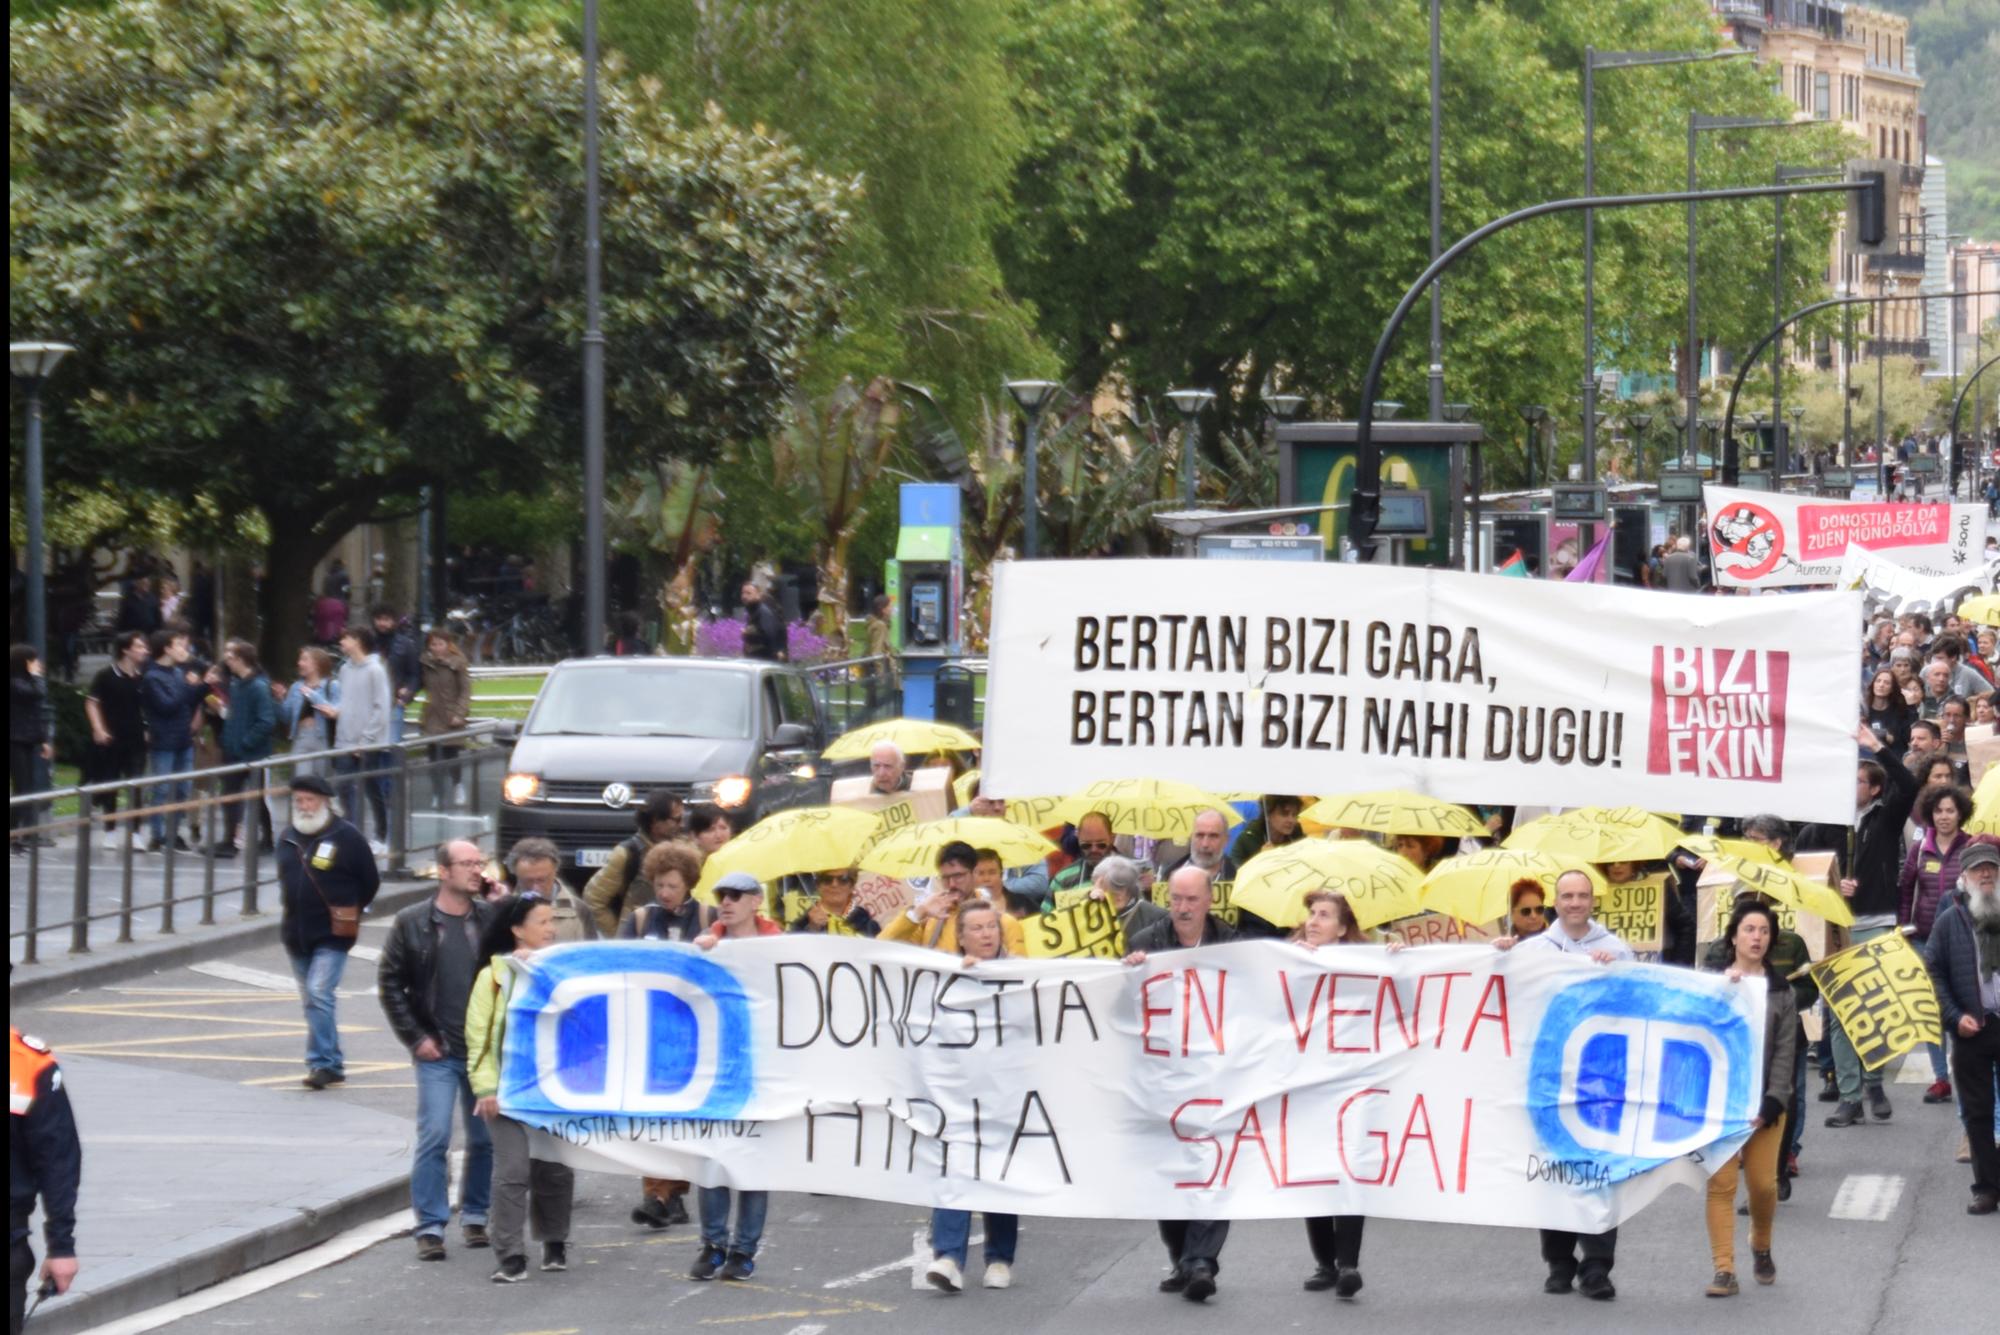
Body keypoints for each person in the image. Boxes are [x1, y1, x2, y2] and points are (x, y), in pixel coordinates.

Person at [1495, 869, 1631, 1300]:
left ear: (1594, 901)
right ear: (1557, 902)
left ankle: (1596, 1266)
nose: (1575, 903)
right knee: (1552, 1169)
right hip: (1549, 1076)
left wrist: (1615, 975)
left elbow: (1636, 1003)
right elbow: (1505, 993)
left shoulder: (1616, 949)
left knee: (1598, 1170)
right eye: (1568, 896)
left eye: (1583, 896)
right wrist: (1498, 956)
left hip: (1599, 1078)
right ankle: (1558, 1262)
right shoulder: (1533, 950)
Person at [378, 838, 498, 1261]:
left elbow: (518, 959)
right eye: (466, 864)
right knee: (435, 1136)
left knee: (484, 1138)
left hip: (482, 1050)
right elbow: (390, 983)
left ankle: (477, 1215)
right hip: (438, 1049)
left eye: (478, 863)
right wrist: (416, 1037)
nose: (475, 870)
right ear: (443, 872)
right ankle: (429, 1225)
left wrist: (504, 902)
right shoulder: (412, 922)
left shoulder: (489, 918)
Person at [1124, 866, 1237, 1302]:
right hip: (1164, 1080)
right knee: (1170, 1174)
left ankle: (1201, 1263)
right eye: (1176, 899)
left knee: (1212, 1168)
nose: (1183, 908)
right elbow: (1125, 1012)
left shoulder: (1233, 945)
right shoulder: (1145, 944)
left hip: (1217, 1077)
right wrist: (1131, 974)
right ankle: (1180, 1258)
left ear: (1209, 900)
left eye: (1191, 900)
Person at [468, 893, 576, 1282]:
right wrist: (485, 1088)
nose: (551, 929)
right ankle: (510, 1255)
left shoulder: (563, 969)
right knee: (512, 1170)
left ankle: (554, 1240)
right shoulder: (493, 976)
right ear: (517, 929)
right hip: (508, 1091)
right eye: (542, 922)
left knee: (554, 1169)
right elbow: (478, 1035)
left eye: (552, 921)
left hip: (553, 1091)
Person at [1700, 899, 1798, 1296]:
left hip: (1763, 1107)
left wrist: (1772, 1102)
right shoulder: (1712, 983)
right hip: (1721, 1106)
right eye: (1749, 930)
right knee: (1721, 1184)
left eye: (1764, 932)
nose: (1756, 938)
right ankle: (1724, 1269)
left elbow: (1785, 1052)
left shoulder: (1781, 991)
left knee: (1763, 1187)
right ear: (1734, 936)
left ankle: (1760, 1243)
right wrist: (1721, 991)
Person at [924, 898, 1023, 1293]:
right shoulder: (944, 975)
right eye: (977, 929)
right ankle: (948, 1257)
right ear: (961, 937)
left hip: (1005, 1091)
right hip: (958, 1092)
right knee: (955, 1168)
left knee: (999, 1171)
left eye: (991, 927)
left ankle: (1000, 1258)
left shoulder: (1023, 972)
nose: (986, 934)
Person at [689, 872, 781, 1281]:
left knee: (754, 1161)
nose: (726, 901)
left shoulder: (780, 946)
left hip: (763, 1068)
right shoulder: (708, 944)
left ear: (756, 901)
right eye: (721, 895)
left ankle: (743, 1250)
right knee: (712, 1159)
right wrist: (702, 955)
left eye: (736, 895)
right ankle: (712, 1245)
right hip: (717, 1069)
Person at [617, 840, 709, 1232]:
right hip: (649, 1030)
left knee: (683, 1114)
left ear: (688, 883)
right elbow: (617, 963)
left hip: (693, 1033)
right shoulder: (639, 920)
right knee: (650, 1112)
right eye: (659, 884)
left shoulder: (707, 917)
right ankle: (656, 1194)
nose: (665, 892)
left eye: (672, 885)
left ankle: (673, 1193)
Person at [1290, 890, 1373, 1297]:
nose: (1314, 920)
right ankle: (1324, 1262)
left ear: (1342, 928)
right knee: (1315, 1173)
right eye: (1311, 913)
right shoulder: (1287, 962)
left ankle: (1348, 1264)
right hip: (1307, 1085)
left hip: (1352, 1085)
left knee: (1350, 1170)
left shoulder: (1366, 965)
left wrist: (1394, 959)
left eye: (1324, 915)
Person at [275, 774, 380, 1089]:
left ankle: (321, 1063)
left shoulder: (346, 837)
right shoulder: (288, 837)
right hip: (296, 931)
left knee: (320, 994)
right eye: (299, 801)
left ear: (325, 802)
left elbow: (370, 880)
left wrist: (351, 908)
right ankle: (332, 1061)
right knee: (312, 1000)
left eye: (310, 801)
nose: (304, 807)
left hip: (333, 933)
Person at [1925, 840, 2000, 1214]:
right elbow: (1933, 973)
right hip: (1972, 1026)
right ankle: (1987, 1186)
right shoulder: (1949, 921)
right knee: (1978, 1110)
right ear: (1964, 878)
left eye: (1992, 868)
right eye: (1978, 869)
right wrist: (1955, 1017)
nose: (1986, 874)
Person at [1901, 782, 1984, 1105]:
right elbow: (1907, 888)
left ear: (1961, 813)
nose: (1944, 816)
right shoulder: (1920, 849)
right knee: (1932, 1009)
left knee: (1961, 1006)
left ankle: (1965, 1070)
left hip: (1965, 941)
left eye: (1950, 810)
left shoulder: (1971, 848)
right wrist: (1903, 927)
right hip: (1924, 937)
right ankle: (1940, 1077)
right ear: (1930, 813)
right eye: (1938, 810)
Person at [9, 1025, 80, 1335]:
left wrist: (62, 1246)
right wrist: (61, 1247)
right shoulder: (28, 1062)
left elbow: (57, 1161)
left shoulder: (30, 1064)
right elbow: (58, 1162)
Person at [885, 842, 1027, 955]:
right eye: (945, 877)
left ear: (974, 874)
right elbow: (882, 948)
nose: (952, 884)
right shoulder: (929, 920)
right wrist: (918, 913)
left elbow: (1019, 975)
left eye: (958, 876)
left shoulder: (1002, 922)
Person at [139, 628, 208, 852]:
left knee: (183, 788)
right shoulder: (152, 677)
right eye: (178, 645)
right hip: (164, 740)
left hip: (183, 738)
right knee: (161, 788)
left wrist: (203, 685)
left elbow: (187, 700)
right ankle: (157, 835)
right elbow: (166, 705)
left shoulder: (178, 673)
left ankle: (174, 832)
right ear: (166, 649)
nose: (183, 649)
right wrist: (186, 686)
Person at [582, 791, 687, 936]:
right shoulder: (627, 854)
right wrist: (618, 936)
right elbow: (593, 898)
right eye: (677, 819)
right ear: (655, 821)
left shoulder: (684, 849)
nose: (682, 824)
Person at [207, 639, 278, 857]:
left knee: (258, 797)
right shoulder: (237, 685)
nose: (227, 660)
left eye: (230, 657)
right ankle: (229, 839)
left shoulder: (258, 686)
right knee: (230, 795)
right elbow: (234, 716)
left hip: (252, 753)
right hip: (233, 751)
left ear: (240, 659)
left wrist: (245, 742)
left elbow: (266, 721)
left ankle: (267, 838)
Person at [328, 625, 394, 851]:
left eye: (346, 638)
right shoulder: (345, 670)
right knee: (344, 787)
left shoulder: (375, 670)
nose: (342, 643)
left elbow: (381, 707)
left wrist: (365, 740)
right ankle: (350, 833)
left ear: (357, 641)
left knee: (371, 787)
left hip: (369, 742)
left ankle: (381, 835)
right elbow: (346, 701)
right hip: (346, 740)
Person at [83, 630, 151, 849]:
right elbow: (92, 702)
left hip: (136, 738)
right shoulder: (106, 675)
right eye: (139, 647)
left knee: (135, 784)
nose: (144, 651)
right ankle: (110, 829)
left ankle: (136, 831)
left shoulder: (142, 678)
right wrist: (98, 728)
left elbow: (147, 708)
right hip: (112, 737)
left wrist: (147, 728)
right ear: (126, 650)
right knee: (110, 783)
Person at [418, 629, 472, 809]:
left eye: (440, 644)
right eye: (433, 644)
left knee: (451, 754)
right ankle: (437, 792)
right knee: (433, 756)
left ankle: (457, 785)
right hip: (433, 715)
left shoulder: (458, 663)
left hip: (451, 714)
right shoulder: (425, 662)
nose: (437, 648)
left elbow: (465, 690)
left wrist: (460, 713)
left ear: (448, 645)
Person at [7, 648, 53, 854]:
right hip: (15, 739)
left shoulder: (25, 682)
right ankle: (15, 833)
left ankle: (18, 834)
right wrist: (36, 676)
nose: (38, 665)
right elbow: (37, 694)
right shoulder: (16, 683)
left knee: (24, 788)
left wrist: (43, 739)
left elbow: (36, 712)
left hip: (26, 739)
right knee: (22, 788)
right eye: (34, 661)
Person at [279, 647, 342, 773]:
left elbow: (336, 711)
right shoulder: (296, 687)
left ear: (317, 664)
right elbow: (285, 717)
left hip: (323, 738)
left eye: (304, 660)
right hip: (300, 737)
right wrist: (280, 699)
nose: (299, 663)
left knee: (322, 782)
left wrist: (313, 696)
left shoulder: (332, 685)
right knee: (302, 781)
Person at [371, 604, 421, 742]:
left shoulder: (406, 644)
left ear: (394, 621)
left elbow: (415, 674)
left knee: (392, 744)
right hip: (371, 702)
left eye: (386, 619)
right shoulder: (369, 643)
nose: (382, 623)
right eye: (379, 619)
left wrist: (407, 694)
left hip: (394, 701)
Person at [1089, 854, 1169, 939]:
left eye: (1102, 890)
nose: (1097, 893)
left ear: (1119, 896)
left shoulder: (1159, 919)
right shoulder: (1092, 910)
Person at [791, 866, 880, 936]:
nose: (834, 884)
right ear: (818, 886)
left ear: (852, 886)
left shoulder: (864, 921)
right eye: (827, 880)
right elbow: (794, 954)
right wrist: (812, 929)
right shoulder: (803, 923)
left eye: (843, 880)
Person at [1161, 808, 1238, 884]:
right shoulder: (1169, 875)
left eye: (1213, 836)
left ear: (1226, 840)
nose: (1205, 844)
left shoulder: (1240, 877)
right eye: (1199, 835)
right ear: (1191, 837)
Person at [1049, 811, 1117, 896]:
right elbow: (1046, 909)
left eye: (1101, 845)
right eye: (1086, 845)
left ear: (1112, 838)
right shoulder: (1063, 878)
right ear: (1078, 839)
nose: (1094, 850)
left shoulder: (1130, 874)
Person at [1231, 794, 1304, 865]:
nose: (1291, 820)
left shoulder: (1297, 834)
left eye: (1294, 815)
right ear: (1268, 815)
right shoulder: (1247, 840)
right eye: (1284, 814)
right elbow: (1238, 873)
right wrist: (1261, 860)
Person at [740, 582, 786, 662]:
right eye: (743, 593)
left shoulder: (763, 612)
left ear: (758, 595)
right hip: (756, 659)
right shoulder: (753, 611)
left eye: (748, 593)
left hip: (764, 660)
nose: (744, 596)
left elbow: (769, 636)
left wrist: (748, 634)